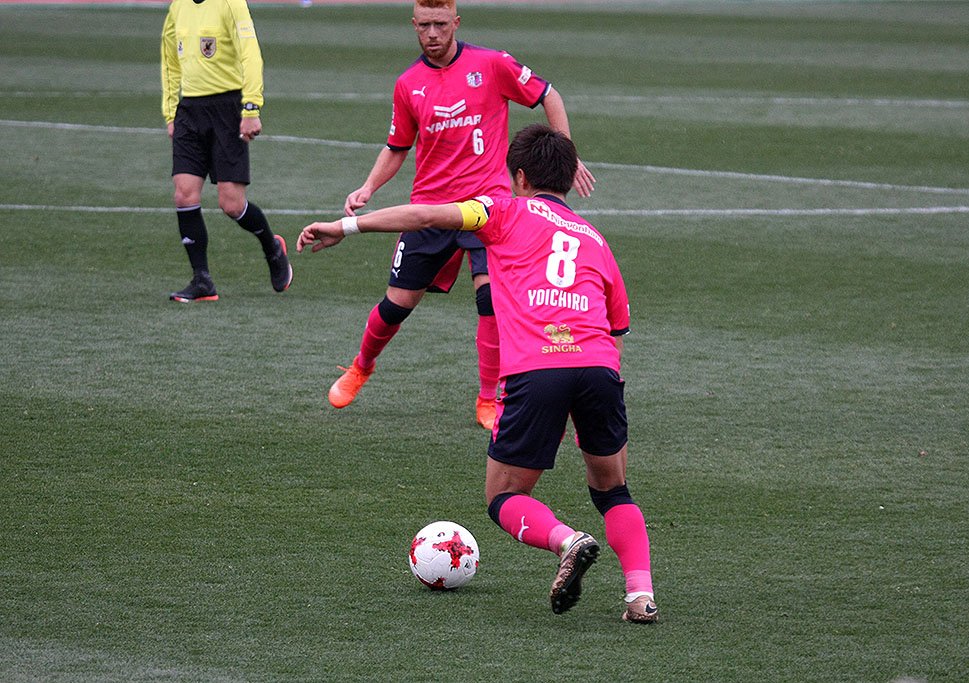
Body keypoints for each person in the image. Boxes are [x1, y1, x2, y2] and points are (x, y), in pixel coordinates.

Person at [297, 124, 657, 623]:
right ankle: (640, 596)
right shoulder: (596, 240)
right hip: (598, 368)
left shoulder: (502, 210)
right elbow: (616, 330)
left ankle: (567, 540)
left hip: (537, 369)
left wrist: (346, 226)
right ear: (569, 180)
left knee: (504, 495)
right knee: (613, 490)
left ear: (520, 176)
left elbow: (425, 215)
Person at [330, 0, 595, 429]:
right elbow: (397, 147)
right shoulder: (408, 84)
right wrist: (368, 187)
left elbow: (549, 95)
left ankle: (488, 398)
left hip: (488, 205)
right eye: (424, 26)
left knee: (490, 299)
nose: (432, 34)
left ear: (455, 22)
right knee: (397, 304)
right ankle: (361, 365)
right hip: (430, 210)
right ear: (413, 25)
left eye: (440, 24)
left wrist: (566, 153)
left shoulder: (492, 64)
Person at [161, 0, 292, 302]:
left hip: (228, 108)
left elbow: (250, 53)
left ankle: (272, 248)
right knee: (184, 194)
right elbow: (169, 60)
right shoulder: (178, 7)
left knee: (231, 204)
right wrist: (170, 113)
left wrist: (251, 107)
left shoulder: (231, 3)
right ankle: (202, 280)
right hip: (189, 110)